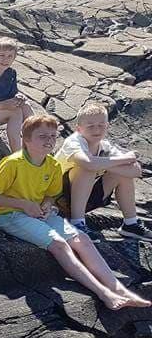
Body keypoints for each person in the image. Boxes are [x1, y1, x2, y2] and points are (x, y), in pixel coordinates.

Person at [0, 114, 149, 310]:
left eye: (52, 136)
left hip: (41, 214)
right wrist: (22, 204)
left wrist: (47, 204)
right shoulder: (13, 163)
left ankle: (120, 289)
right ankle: (104, 293)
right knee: (59, 244)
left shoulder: (52, 165)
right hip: (11, 215)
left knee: (83, 239)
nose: (49, 141)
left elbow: (51, 195)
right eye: (42, 136)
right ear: (26, 139)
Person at [55, 103, 152, 242]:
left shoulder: (105, 146)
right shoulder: (74, 142)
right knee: (87, 168)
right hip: (58, 199)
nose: (96, 129)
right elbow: (87, 163)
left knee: (122, 174)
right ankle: (77, 223)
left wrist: (106, 164)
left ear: (107, 126)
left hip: (84, 199)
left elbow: (135, 171)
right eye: (90, 126)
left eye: (101, 125)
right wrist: (125, 159)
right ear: (78, 128)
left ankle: (130, 224)